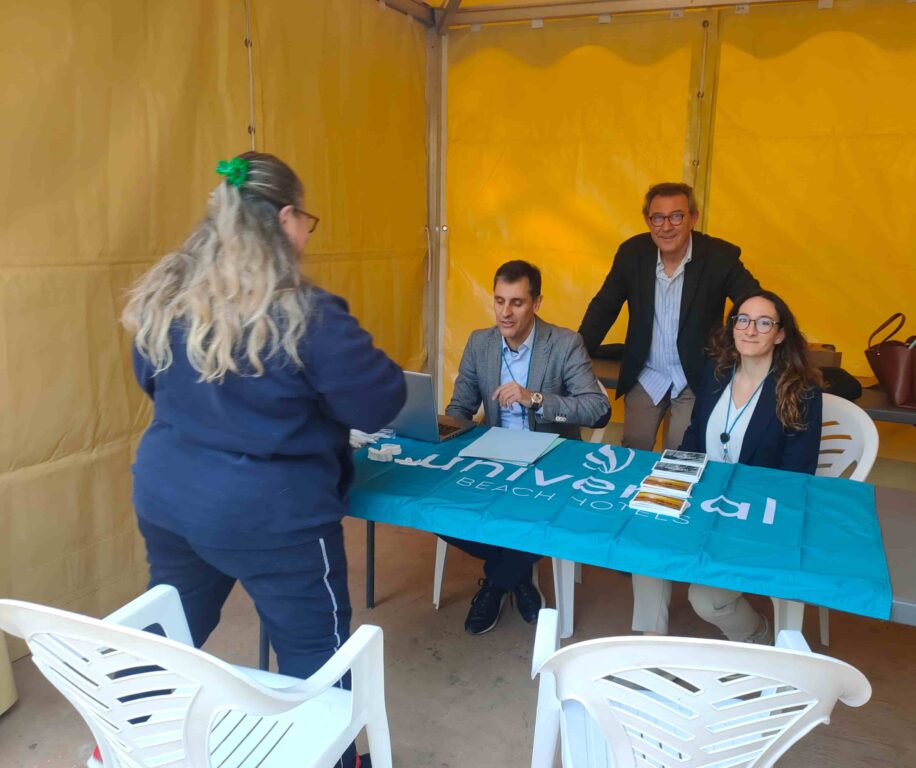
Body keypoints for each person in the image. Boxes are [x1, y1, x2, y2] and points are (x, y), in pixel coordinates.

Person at [121, 152, 405, 768]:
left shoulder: (168, 297)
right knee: (317, 660)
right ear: (283, 219)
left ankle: (124, 737)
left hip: (169, 497)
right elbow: (380, 400)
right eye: (307, 222)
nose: (307, 236)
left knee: (169, 629)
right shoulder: (306, 314)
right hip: (274, 517)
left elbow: (151, 379)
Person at [631, 290, 824, 640]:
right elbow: (694, 435)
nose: (750, 330)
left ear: (780, 334)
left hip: (753, 514)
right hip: (701, 500)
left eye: (763, 323)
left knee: (707, 600)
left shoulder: (801, 391)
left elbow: (796, 477)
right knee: (645, 545)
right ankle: (652, 646)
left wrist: (733, 507)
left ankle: (759, 636)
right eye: (743, 320)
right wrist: (671, 485)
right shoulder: (717, 372)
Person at [444, 260, 611, 635]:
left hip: (551, 462)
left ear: (536, 303)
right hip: (493, 458)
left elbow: (598, 410)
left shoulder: (564, 343)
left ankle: (497, 583)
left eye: (517, 302)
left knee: (549, 514)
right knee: (435, 507)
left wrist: (534, 398)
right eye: (499, 300)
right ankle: (517, 576)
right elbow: (459, 409)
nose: (505, 312)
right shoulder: (480, 342)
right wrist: (446, 436)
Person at [578, 182, 759, 452]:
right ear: (647, 221)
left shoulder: (720, 257)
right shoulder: (632, 254)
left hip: (694, 376)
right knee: (634, 448)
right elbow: (604, 307)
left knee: (681, 451)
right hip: (647, 373)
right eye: (658, 218)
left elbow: (754, 303)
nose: (666, 226)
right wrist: (573, 357)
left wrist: (744, 352)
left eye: (676, 216)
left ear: (693, 218)